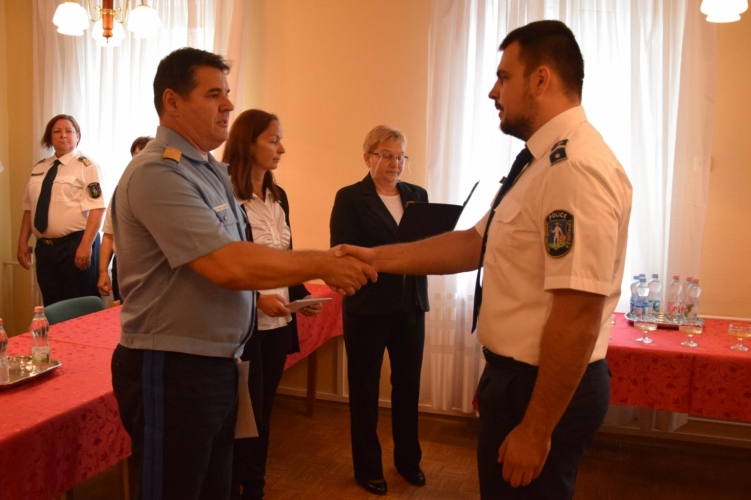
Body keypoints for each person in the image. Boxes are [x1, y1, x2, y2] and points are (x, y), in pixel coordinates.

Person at [334, 20, 632, 500]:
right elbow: (473, 243)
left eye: (503, 77)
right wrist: (374, 256)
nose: (493, 92)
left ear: (541, 79)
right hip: (516, 380)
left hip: (538, 388)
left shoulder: (574, 169)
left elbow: (579, 313)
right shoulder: (539, 163)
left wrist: (536, 429)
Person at [110, 47, 376, 500]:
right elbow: (228, 264)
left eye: (228, 93)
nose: (229, 104)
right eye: (214, 94)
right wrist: (324, 262)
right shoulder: (158, 173)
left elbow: (242, 255)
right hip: (172, 368)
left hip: (218, 365)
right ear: (172, 101)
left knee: (217, 488)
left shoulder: (211, 172)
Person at [224, 109, 323, 500]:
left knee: (263, 414)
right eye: (273, 140)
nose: (282, 148)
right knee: (241, 419)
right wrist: (255, 300)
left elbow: (286, 258)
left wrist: (301, 295)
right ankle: (233, 487)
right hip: (243, 326)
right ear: (249, 143)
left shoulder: (278, 196)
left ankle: (255, 488)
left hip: (279, 323)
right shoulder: (228, 197)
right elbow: (222, 266)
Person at [330, 125, 429, 496]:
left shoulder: (418, 195)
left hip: (411, 306)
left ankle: (408, 461)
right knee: (365, 391)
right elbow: (342, 252)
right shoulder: (350, 198)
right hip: (367, 309)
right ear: (368, 157)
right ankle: (368, 468)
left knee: (407, 388)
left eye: (401, 156)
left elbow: (426, 247)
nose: (395, 163)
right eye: (387, 155)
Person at [17, 114, 105, 306]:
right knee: (51, 305)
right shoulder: (39, 168)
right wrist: (22, 242)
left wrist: (86, 245)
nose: (63, 135)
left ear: (77, 136)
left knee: (79, 305)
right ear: (50, 137)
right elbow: (29, 208)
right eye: (57, 131)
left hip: (75, 245)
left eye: (68, 131)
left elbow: (97, 208)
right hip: (45, 249)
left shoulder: (87, 166)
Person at [98, 135, 153, 302]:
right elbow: (109, 235)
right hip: (123, 264)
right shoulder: (121, 190)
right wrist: (102, 272)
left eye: (144, 154)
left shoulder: (166, 190)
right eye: (136, 155)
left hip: (152, 265)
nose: (139, 159)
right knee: (123, 313)